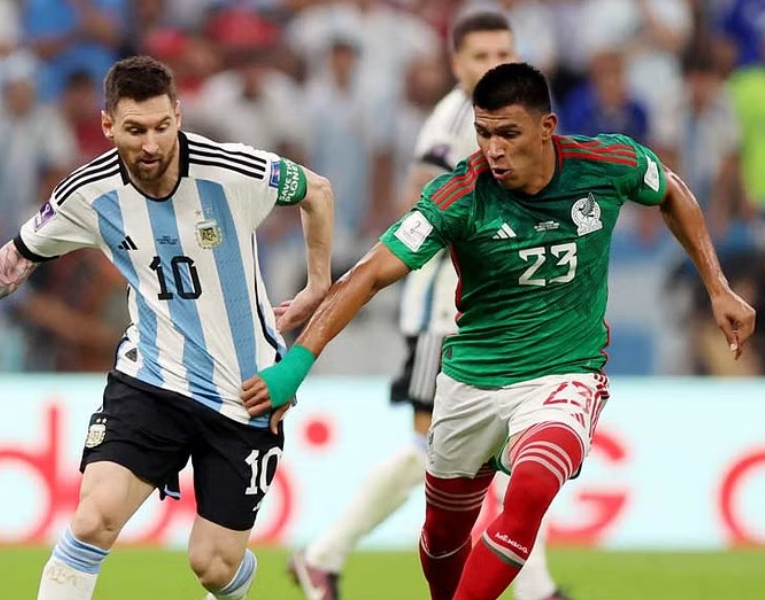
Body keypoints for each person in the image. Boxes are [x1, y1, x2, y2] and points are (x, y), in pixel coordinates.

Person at [242, 62, 756, 600]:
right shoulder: (460, 196)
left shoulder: (608, 162)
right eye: (484, 133)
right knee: (443, 538)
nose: (494, 148)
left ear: (546, 128)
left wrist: (717, 286)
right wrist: (296, 365)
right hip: (472, 383)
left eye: (508, 133)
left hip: (563, 376)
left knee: (531, 488)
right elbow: (369, 274)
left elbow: (671, 189)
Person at [0, 55, 334, 600]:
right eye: (135, 130)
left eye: (162, 126)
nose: (152, 144)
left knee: (213, 565)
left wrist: (317, 285)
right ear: (108, 125)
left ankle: (235, 577)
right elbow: (19, 256)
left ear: (178, 114)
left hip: (245, 392)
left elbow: (316, 191)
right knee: (93, 519)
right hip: (152, 378)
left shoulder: (233, 171)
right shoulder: (87, 194)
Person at [289, 12, 570, 600]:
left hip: (495, 313)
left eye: (504, 49)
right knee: (435, 451)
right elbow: (421, 204)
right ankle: (323, 553)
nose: (493, 61)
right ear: (456, 64)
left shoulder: (500, 118)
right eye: (480, 53)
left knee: (508, 449)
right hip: (449, 313)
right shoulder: (454, 125)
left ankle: (537, 588)